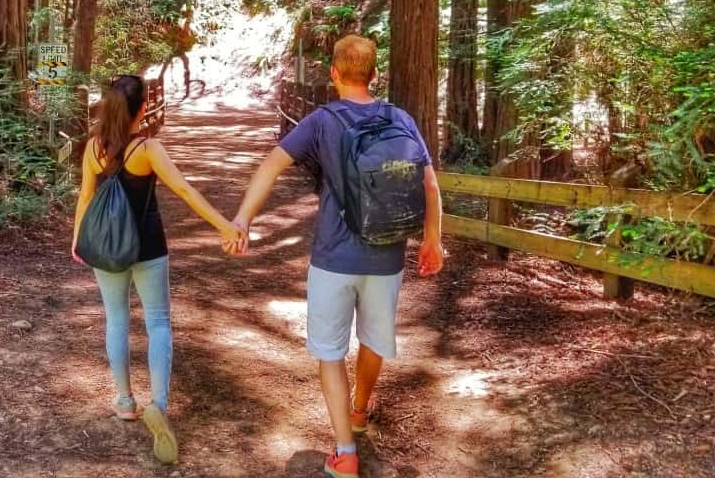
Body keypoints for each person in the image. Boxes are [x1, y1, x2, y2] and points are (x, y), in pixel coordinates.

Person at [228, 35, 444, 478]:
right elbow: (430, 185)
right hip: (387, 256)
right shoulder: (398, 118)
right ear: (375, 74)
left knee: (330, 351)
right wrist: (432, 240)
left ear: (334, 74)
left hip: (332, 257)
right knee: (373, 340)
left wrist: (243, 219)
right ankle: (361, 410)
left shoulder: (323, 120)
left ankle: (344, 452)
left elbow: (271, 165)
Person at [71, 74, 245, 465]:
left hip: (106, 249)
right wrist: (224, 226)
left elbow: (85, 198)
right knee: (158, 323)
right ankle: (159, 404)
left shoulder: (92, 148)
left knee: (116, 319)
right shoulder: (147, 149)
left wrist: (78, 239)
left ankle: (124, 400)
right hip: (148, 247)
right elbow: (185, 190)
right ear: (143, 108)